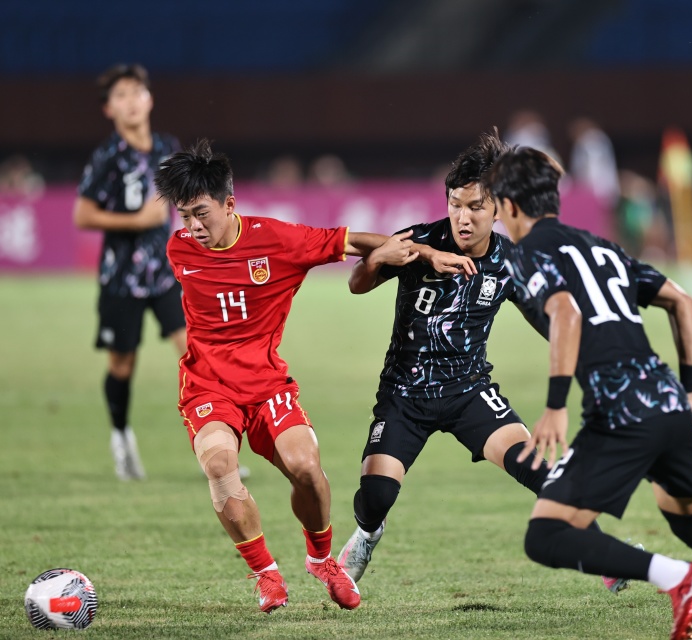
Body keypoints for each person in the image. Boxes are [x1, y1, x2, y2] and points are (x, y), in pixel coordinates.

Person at [483, 147, 692, 640]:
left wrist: (555, 405)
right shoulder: (603, 246)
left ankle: (678, 577)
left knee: (546, 535)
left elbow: (565, 312)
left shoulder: (527, 251)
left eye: (495, 206)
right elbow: (681, 302)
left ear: (510, 206)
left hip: (620, 413)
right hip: (667, 402)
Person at [155, 139, 463, 614]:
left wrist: (425, 253)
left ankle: (321, 560)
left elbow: (352, 241)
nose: (193, 227)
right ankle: (265, 573)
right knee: (219, 466)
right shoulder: (179, 249)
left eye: (201, 213)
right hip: (208, 388)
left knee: (307, 469)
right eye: (184, 216)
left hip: (267, 385)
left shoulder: (276, 239)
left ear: (229, 204)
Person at [336, 132, 628, 594]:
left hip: (468, 391)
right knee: (376, 496)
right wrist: (377, 260)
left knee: (535, 467)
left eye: (475, 207)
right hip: (404, 395)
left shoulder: (511, 261)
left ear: (498, 210)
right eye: (455, 204)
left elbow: (547, 321)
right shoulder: (421, 240)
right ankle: (368, 534)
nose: (463, 217)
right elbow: (357, 283)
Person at [72, 63, 186, 481]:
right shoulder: (108, 157)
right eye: (120, 95)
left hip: (167, 275)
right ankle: (121, 437)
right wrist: (135, 221)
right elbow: (83, 214)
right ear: (109, 109)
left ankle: (215, 447)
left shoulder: (168, 148)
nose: (131, 101)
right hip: (121, 278)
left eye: (137, 92)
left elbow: (185, 199)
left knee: (196, 356)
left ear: (150, 99)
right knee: (122, 365)